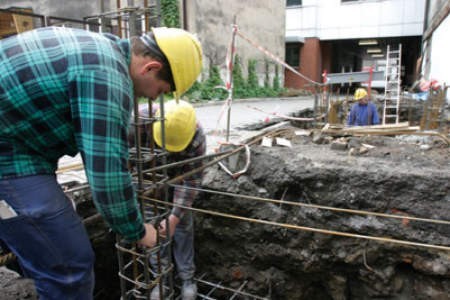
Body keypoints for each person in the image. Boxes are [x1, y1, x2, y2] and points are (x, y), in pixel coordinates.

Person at [0, 26, 202, 299]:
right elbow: (107, 176)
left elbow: (191, 178)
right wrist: (139, 231)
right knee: (69, 265)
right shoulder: (109, 79)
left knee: (42, 248)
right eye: (160, 90)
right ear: (150, 68)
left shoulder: (101, 50)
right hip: (11, 155)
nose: (155, 98)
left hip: (19, 145)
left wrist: (174, 216)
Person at [129, 100, 206, 300]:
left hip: (177, 180)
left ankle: (187, 278)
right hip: (145, 182)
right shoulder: (136, 123)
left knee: (182, 226)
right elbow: (121, 164)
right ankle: (161, 279)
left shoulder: (196, 134)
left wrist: (174, 218)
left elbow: (191, 180)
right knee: (152, 232)